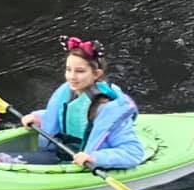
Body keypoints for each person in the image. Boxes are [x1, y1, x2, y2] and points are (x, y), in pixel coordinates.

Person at [11, 36, 144, 169]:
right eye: (68, 70)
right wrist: (39, 118)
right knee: (3, 158)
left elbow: (133, 152)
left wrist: (94, 158)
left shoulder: (106, 108)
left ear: (96, 74)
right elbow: (65, 118)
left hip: (83, 164)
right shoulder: (69, 94)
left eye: (80, 71)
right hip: (61, 154)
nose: (72, 77)